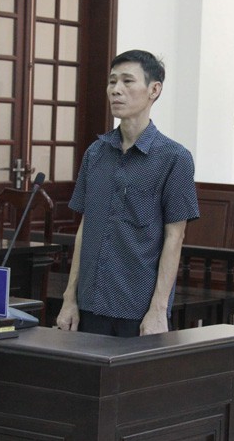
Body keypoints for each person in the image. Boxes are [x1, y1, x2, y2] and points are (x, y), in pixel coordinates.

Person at [56, 50, 200, 337]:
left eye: (127, 81)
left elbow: (175, 237)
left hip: (137, 307)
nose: (115, 90)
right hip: (89, 303)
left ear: (154, 90)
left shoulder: (174, 158)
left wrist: (158, 309)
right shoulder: (95, 154)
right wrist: (69, 298)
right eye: (112, 82)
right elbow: (85, 229)